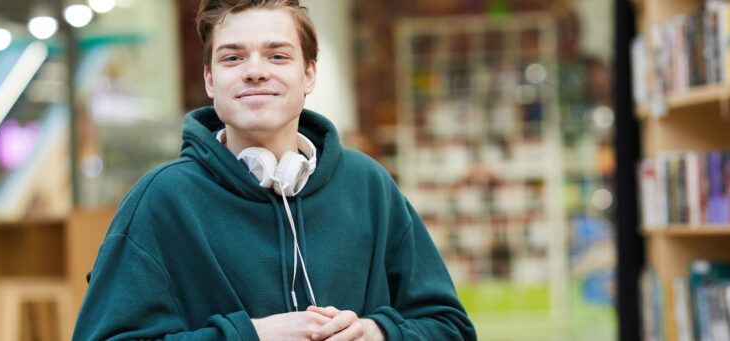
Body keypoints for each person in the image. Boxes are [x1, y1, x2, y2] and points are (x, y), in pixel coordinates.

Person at [72, 0, 475, 340]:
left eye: (278, 55)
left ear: (309, 74)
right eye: (233, 57)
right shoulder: (159, 201)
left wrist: (379, 333)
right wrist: (253, 335)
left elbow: (451, 327)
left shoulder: (369, 187)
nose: (255, 71)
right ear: (210, 80)